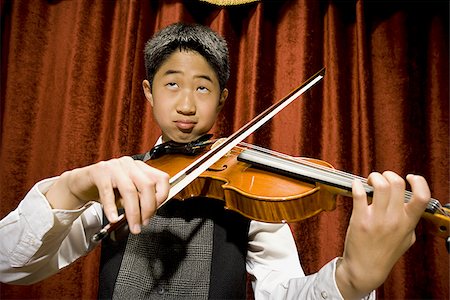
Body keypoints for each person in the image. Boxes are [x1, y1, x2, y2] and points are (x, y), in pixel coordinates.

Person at [0, 23, 431, 300]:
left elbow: (282, 293)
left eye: (203, 88)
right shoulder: (115, 183)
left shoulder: (248, 193)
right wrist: (72, 186)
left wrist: (352, 281)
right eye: (172, 84)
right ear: (149, 93)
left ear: (222, 99)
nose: (186, 104)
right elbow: (10, 266)